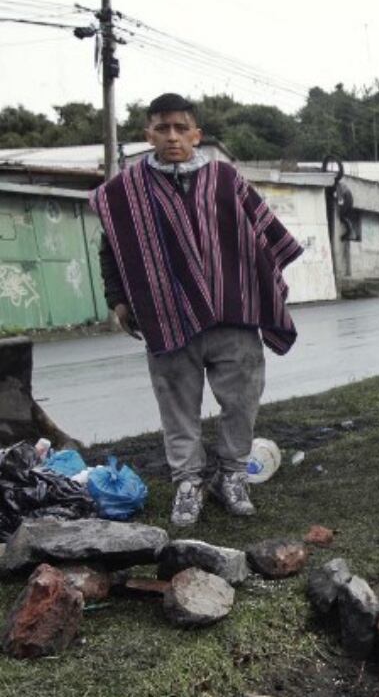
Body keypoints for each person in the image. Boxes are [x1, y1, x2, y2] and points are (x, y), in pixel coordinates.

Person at [90, 93, 304, 527]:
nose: (172, 137)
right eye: (162, 128)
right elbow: (111, 251)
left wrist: (263, 289)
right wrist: (118, 299)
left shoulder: (226, 179)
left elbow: (261, 235)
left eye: (181, 128)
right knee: (177, 406)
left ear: (196, 134)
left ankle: (231, 476)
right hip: (165, 316)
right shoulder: (123, 192)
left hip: (233, 312)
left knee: (241, 402)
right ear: (148, 133)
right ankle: (188, 482)